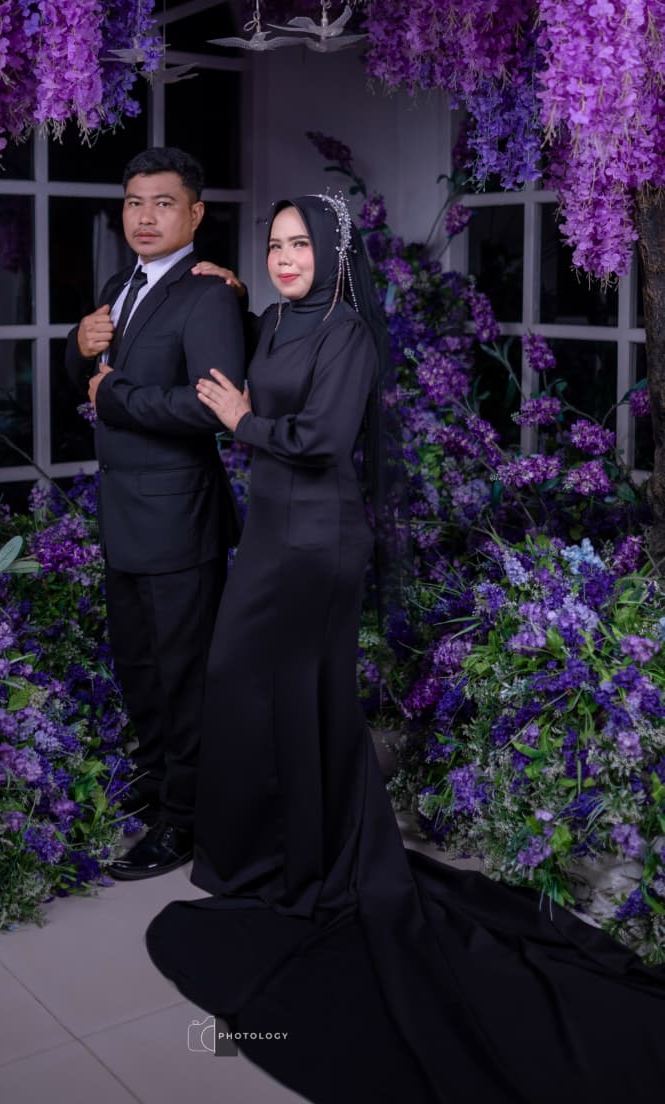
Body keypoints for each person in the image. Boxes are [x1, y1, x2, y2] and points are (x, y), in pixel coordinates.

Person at [146, 194, 665, 1103]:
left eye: (300, 244)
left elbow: (320, 441)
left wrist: (239, 422)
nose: (285, 257)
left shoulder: (346, 332)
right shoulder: (276, 320)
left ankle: (312, 861)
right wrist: (226, 292)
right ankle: (266, 854)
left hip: (317, 544)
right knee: (245, 687)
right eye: (274, 245)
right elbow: (256, 374)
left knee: (296, 695)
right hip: (268, 537)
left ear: (332, 251)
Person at [65, 146, 244, 879]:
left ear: (194, 214)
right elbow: (93, 375)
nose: (145, 216)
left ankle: (186, 820)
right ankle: (154, 785)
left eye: (163, 203)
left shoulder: (209, 295)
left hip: (179, 521)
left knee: (183, 676)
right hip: (124, 515)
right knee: (139, 666)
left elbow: (211, 406)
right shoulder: (120, 285)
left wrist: (114, 396)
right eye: (135, 202)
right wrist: (76, 344)